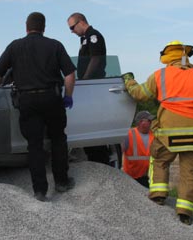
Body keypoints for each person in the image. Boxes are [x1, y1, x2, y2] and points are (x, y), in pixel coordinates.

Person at [0, 12, 76, 201]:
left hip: (27, 101)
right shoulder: (55, 45)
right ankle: (62, 182)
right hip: (52, 98)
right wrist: (68, 96)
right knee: (58, 140)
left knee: (34, 146)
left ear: (26, 27)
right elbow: (70, 74)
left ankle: (40, 191)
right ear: (44, 27)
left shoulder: (15, 46)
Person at [122, 41, 193, 225]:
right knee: (189, 172)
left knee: (159, 160)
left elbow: (139, 94)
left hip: (168, 132)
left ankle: (158, 195)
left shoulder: (161, 75)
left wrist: (129, 79)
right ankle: (185, 211)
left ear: (167, 57)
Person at [67, 12, 109, 164]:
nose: (72, 31)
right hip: (89, 85)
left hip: (93, 85)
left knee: (94, 126)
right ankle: (92, 158)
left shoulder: (93, 35)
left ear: (81, 22)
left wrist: (85, 79)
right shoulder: (84, 39)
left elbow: (96, 58)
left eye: (72, 27)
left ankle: (101, 161)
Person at [122, 110, 155, 187]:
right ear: (141, 122)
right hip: (131, 177)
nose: (151, 122)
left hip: (148, 177)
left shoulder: (154, 135)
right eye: (149, 120)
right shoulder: (128, 135)